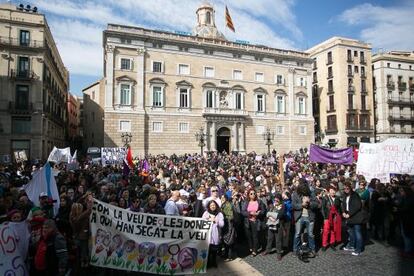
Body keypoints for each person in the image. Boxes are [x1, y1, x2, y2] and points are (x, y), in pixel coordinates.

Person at [292, 183, 319, 257]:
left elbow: (316, 204)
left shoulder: (311, 193)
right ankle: (295, 250)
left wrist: (309, 203)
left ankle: (312, 251)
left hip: (309, 217)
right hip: (299, 217)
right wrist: (302, 205)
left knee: (310, 234)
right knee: (297, 234)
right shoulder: (295, 194)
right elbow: (293, 205)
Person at [241, 189, 266, 256]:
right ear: (248, 195)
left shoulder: (259, 202)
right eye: (251, 194)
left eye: (254, 193)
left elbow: (263, 210)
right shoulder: (246, 202)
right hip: (248, 221)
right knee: (249, 236)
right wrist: (250, 213)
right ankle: (251, 247)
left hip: (256, 221)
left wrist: (259, 213)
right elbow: (243, 212)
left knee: (255, 236)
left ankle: (255, 250)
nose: (253, 195)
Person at [342, 181, 364, 256]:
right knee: (351, 233)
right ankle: (352, 246)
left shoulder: (355, 195)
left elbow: (357, 206)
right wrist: (343, 212)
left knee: (357, 233)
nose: (346, 190)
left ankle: (358, 249)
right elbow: (343, 205)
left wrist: (349, 214)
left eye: (347, 188)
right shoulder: (345, 195)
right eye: (344, 188)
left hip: (356, 216)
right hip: (349, 216)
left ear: (350, 188)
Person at [202, 200, 224, 268]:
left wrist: (215, 220)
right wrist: (208, 220)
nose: (212, 206)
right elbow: (202, 222)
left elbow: (222, 224)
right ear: (209, 206)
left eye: (214, 205)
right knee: (208, 249)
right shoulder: (206, 213)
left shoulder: (219, 214)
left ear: (216, 206)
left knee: (214, 250)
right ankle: (207, 263)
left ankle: (214, 262)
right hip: (207, 234)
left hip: (215, 234)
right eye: (211, 205)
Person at [262, 194, 285, 260]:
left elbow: (280, 215)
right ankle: (268, 250)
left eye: (277, 200)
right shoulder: (272, 206)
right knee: (270, 238)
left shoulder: (282, 206)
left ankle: (279, 253)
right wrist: (271, 217)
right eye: (275, 200)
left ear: (280, 200)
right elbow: (267, 213)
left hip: (278, 225)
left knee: (278, 240)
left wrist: (271, 215)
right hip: (271, 223)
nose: (276, 201)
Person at [321, 185, 342, 251]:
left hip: (334, 217)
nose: (333, 192)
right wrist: (324, 218)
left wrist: (338, 216)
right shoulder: (325, 198)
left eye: (334, 190)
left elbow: (339, 208)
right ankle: (324, 244)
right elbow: (323, 209)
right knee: (326, 231)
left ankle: (332, 243)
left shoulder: (337, 198)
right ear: (329, 191)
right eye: (331, 190)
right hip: (327, 217)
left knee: (333, 231)